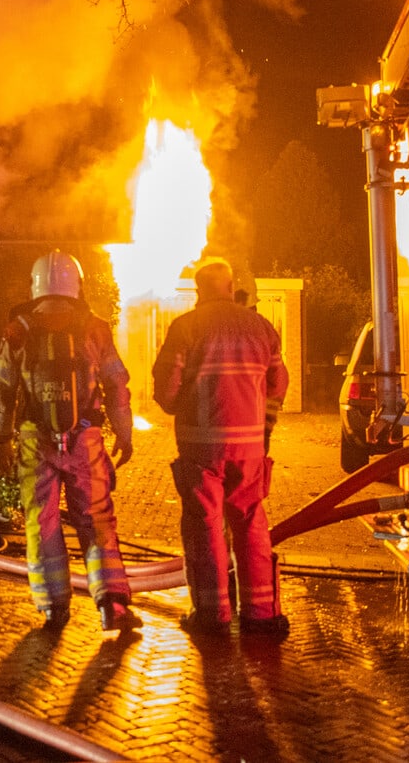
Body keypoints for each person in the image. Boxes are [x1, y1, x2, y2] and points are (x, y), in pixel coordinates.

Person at [0, 250, 139, 632]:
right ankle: (112, 605)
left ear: (35, 285)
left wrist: (0, 440)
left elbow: (2, 387)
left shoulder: (19, 330)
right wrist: (124, 433)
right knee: (96, 518)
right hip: (84, 437)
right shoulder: (94, 328)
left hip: (34, 439)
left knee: (42, 522)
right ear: (78, 285)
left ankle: (54, 608)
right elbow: (116, 383)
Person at [151, 258, 290, 637]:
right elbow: (278, 384)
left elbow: (166, 391)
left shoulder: (186, 328)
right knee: (251, 522)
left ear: (199, 290)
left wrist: (182, 403)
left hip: (201, 449)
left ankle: (212, 615)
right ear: (231, 287)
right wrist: (261, 420)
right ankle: (261, 613)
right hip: (249, 448)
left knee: (206, 525)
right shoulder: (261, 328)